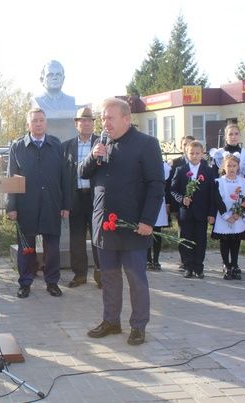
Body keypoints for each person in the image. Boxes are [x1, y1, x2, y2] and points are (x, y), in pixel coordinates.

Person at [78, 98, 164, 346]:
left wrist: (148, 219)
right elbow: (83, 173)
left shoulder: (146, 144)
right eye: (103, 118)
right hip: (104, 225)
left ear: (126, 118)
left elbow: (156, 185)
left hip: (133, 226)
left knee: (136, 278)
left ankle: (138, 326)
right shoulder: (100, 142)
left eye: (110, 118)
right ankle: (111, 321)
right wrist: (93, 157)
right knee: (109, 277)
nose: (105, 123)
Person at [7, 107, 70, 299]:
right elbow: (12, 178)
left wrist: (66, 205)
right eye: (34, 121)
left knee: (52, 247)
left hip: (51, 204)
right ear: (28, 124)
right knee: (27, 247)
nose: (38, 123)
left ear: (46, 123)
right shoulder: (18, 147)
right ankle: (25, 282)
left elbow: (65, 177)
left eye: (41, 120)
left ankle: (52, 282)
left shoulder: (56, 145)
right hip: (27, 205)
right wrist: (12, 206)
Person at [61, 106, 101, 288]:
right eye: (82, 120)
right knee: (76, 239)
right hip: (75, 198)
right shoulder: (66, 147)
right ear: (76, 124)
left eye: (89, 120)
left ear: (93, 123)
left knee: (99, 238)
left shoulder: (102, 143)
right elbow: (63, 176)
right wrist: (64, 203)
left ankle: (101, 275)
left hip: (97, 198)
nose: (86, 123)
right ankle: (79, 275)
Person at [170, 141, 216, 279]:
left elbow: (212, 194)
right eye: (191, 153)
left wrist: (211, 213)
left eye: (197, 153)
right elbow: (173, 190)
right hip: (186, 212)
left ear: (202, 154)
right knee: (185, 239)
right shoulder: (181, 170)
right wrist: (182, 199)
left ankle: (198, 267)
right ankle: (188, 266)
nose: (195, 156)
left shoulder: (208, 171)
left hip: (202, 213)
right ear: (186, 153)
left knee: (200, 240)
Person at [211, 154, 245, 280]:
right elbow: (217, 200)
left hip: (238, 216)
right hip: (224, 216)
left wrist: (239, 212)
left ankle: (234, 264)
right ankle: (226, 264)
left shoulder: (243, 182)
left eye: (234, 166)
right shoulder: (219, 182)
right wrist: (226, 215)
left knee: (235, 240)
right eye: (229, 165)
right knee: (225, 241)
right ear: (224, 166)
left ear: (238, 167)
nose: (232, 168)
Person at [168, 135, 195, 271]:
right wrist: (173, 203)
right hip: (181, 204)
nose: (187, 147)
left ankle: (194, 260)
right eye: (184, 144)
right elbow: (171, 185)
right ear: (181, 146)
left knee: (195, 233)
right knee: (183, 231)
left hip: (197, 205)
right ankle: (184, 260)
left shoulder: (200, 161)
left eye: (190, 144)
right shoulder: (176, 163)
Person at [147, 161, 172, 271]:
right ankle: (147, 259)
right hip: (145, 198)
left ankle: (156, 259)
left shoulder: (163, 165)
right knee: (146, 231)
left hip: (158, 199)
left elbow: (166, 176)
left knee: (157, 232)